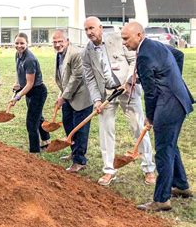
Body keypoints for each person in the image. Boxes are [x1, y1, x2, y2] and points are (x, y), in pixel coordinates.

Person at [121, 22, 194, 211]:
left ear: (139, 35)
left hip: (168, 105)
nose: (124, 43)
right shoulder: (155, 44)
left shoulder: (144, 56)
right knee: (170, 145)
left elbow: (150, 92)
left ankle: (162, 199)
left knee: (163, 150)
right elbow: (179, 54)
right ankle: (182, 186)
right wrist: (174, 78)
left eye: (126, 38)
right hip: (179, 100)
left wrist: (150, 118)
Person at [82, 16, 155, 186]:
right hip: (106, 93)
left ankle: (149, 168)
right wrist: (96, 100)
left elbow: (134, 60)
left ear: (100, 28)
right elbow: (90, 78)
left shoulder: (117, 39)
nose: (89, 32)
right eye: (86, 29)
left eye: (92, 28)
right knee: (106, 131)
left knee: (138, 127)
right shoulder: (87, 52)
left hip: (127, 89)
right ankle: (109, 170)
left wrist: (129, 80)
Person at [51, 30, 93, 171]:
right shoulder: (59, 55)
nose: (57, 45)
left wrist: (64, 97)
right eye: (55, 42)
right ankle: (74, 152)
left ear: (67, 40)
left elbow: (76, 78)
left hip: (81, 97)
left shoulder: (75, 54)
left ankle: (79, 161)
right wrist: (61, 95)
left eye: (60, 41)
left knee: (80, 129)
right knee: (68, 125)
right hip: (68, 96)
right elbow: (63, 77)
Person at [8, 33, 50, 154]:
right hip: (28, 91)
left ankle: (34, 151)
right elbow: (19, 72)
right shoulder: (18, 55)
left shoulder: (30, 59)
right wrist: (17, 84)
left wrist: (17, 96)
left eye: (22, 43)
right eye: (17, 43)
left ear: (27, 43)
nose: (19, 46)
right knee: (38, 117)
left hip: (38, 91)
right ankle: (47, 141)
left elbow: (30, 83)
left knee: (31, 122)